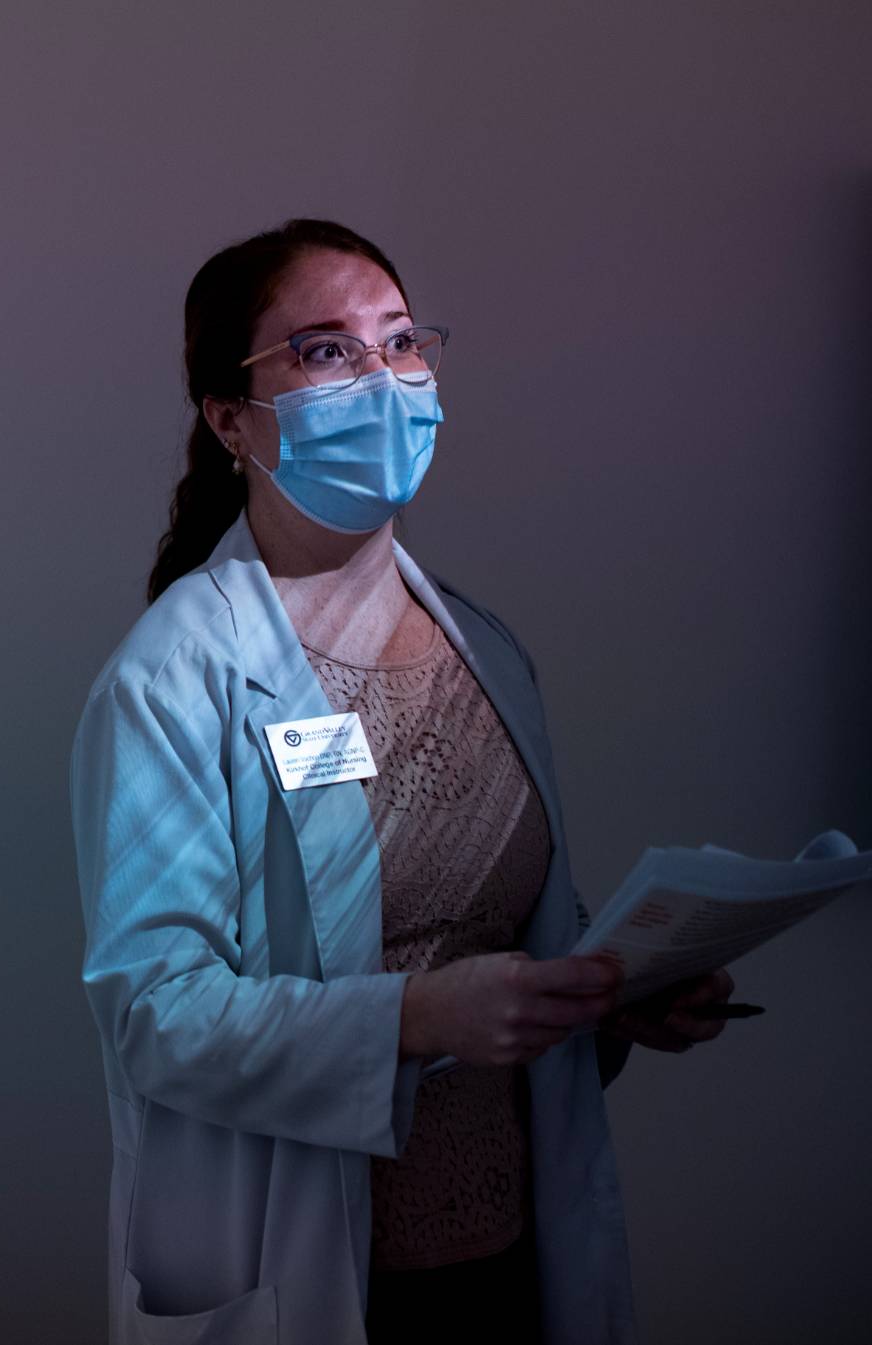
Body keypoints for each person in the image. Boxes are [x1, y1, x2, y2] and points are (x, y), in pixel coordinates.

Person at [68, 219, 738, 1345]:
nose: (381, 379)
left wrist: (609, 997)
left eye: (399, 342)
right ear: (230, 419)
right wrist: (415, 1017)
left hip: (510, 1261)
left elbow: (513, 928)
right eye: (325, 352)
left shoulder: (483, 649)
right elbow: (155, 1012)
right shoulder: (175, 674)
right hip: (323, 1282)